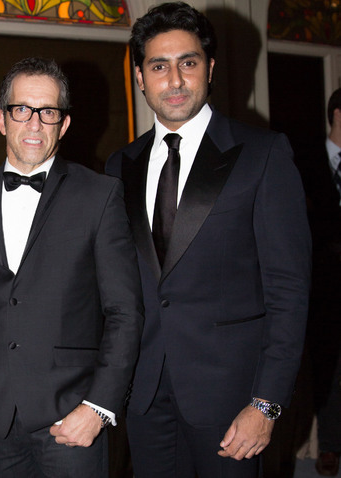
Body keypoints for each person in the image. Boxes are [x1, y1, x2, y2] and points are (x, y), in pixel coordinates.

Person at [105, 3, 311, 477]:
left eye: (188, 63)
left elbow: (289, 292)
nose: (174, 80)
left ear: (210, 69)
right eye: (158, 66)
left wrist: (268, 404)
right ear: (140, 77)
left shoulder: (262, 154)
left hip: (232, 401)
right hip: (145, 395)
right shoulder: (120, 166)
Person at [0, 57, 144, 477]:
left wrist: (99, 408)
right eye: (21, 110)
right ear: (2, 119)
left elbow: (124, 312)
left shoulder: (100, 195)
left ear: (63, 125)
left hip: (71, 418)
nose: (34, 124)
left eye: (48, 113)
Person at [297, 88, 341, 476]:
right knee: (327, 369)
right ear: (337, 114)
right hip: (321, 288)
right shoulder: (303, 159)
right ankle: (329, 445)